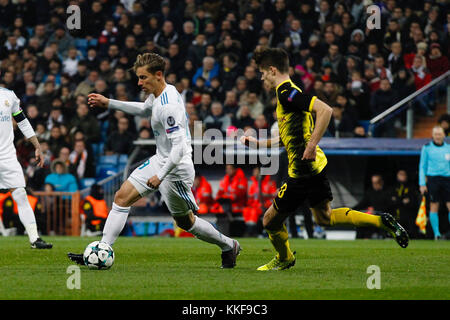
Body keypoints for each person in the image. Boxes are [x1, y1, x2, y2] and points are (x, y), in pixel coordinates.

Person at [241, 47, 409, 271]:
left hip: (301, 170)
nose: (261, 77)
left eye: (262, 72)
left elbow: (326, 110)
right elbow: (288, 137)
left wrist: (311, 146)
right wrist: (258, 144)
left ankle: (285, 258)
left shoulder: (286, 92)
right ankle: (381, 220)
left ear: (272, 70)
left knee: (269, 221)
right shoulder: (290, 93)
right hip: (315, 166)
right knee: (324, 218)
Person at [68, 53, 240, 268]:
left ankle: (228, 245)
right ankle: (101, 250)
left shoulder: (169, 106)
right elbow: (143, 109)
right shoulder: (159, 94)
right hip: (161, 159)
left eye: (143, 78)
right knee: (121, 197)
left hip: (175, 168)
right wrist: (108, 103)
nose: (139, 83)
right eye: (138, 78)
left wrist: (161, 175)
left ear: (158, 75)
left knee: (186, 222)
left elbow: (180, 148)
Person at [0, 84, 52, 248]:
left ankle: (35, 239)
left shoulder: (9, 96)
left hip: (7, 156)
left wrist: (37, 146)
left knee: (21, 194)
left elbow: (22, 121)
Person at [419, 126, 450, 240]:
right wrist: (422, 183)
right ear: (432, 135)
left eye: (440, 134)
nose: (438, 136)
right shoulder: (427, 148)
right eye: (436, 134)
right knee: (434, 206)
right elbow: (422, 166)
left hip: (447, 179)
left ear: (444, 135)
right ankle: (437, 234)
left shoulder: (448, 148)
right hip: (433, 180)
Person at [388, 170, 420, 239]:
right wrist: (402, 201)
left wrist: (398, 200)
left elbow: (413, 201)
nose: (402, 176)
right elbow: (390, 201)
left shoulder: (411, 187)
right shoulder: (393, 187)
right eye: (400, 174)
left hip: (408, 216)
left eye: (403, 175)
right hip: (396, 215)